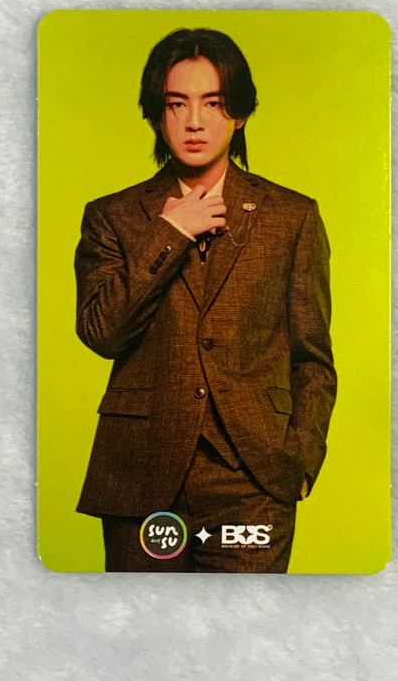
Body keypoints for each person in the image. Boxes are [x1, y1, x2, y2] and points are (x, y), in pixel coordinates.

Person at [74, 28, 336, 572]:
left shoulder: (291, 217)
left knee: (248, 623)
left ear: (239, 113)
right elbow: (101, 332)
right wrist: (169, 233)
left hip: (253, 481)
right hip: (141, 475)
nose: (194, 121)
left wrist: (300, 462)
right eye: (177, 104)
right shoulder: (112, 217)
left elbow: (312, 358)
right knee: (140, 623)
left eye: (213, 103)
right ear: (156, 115)